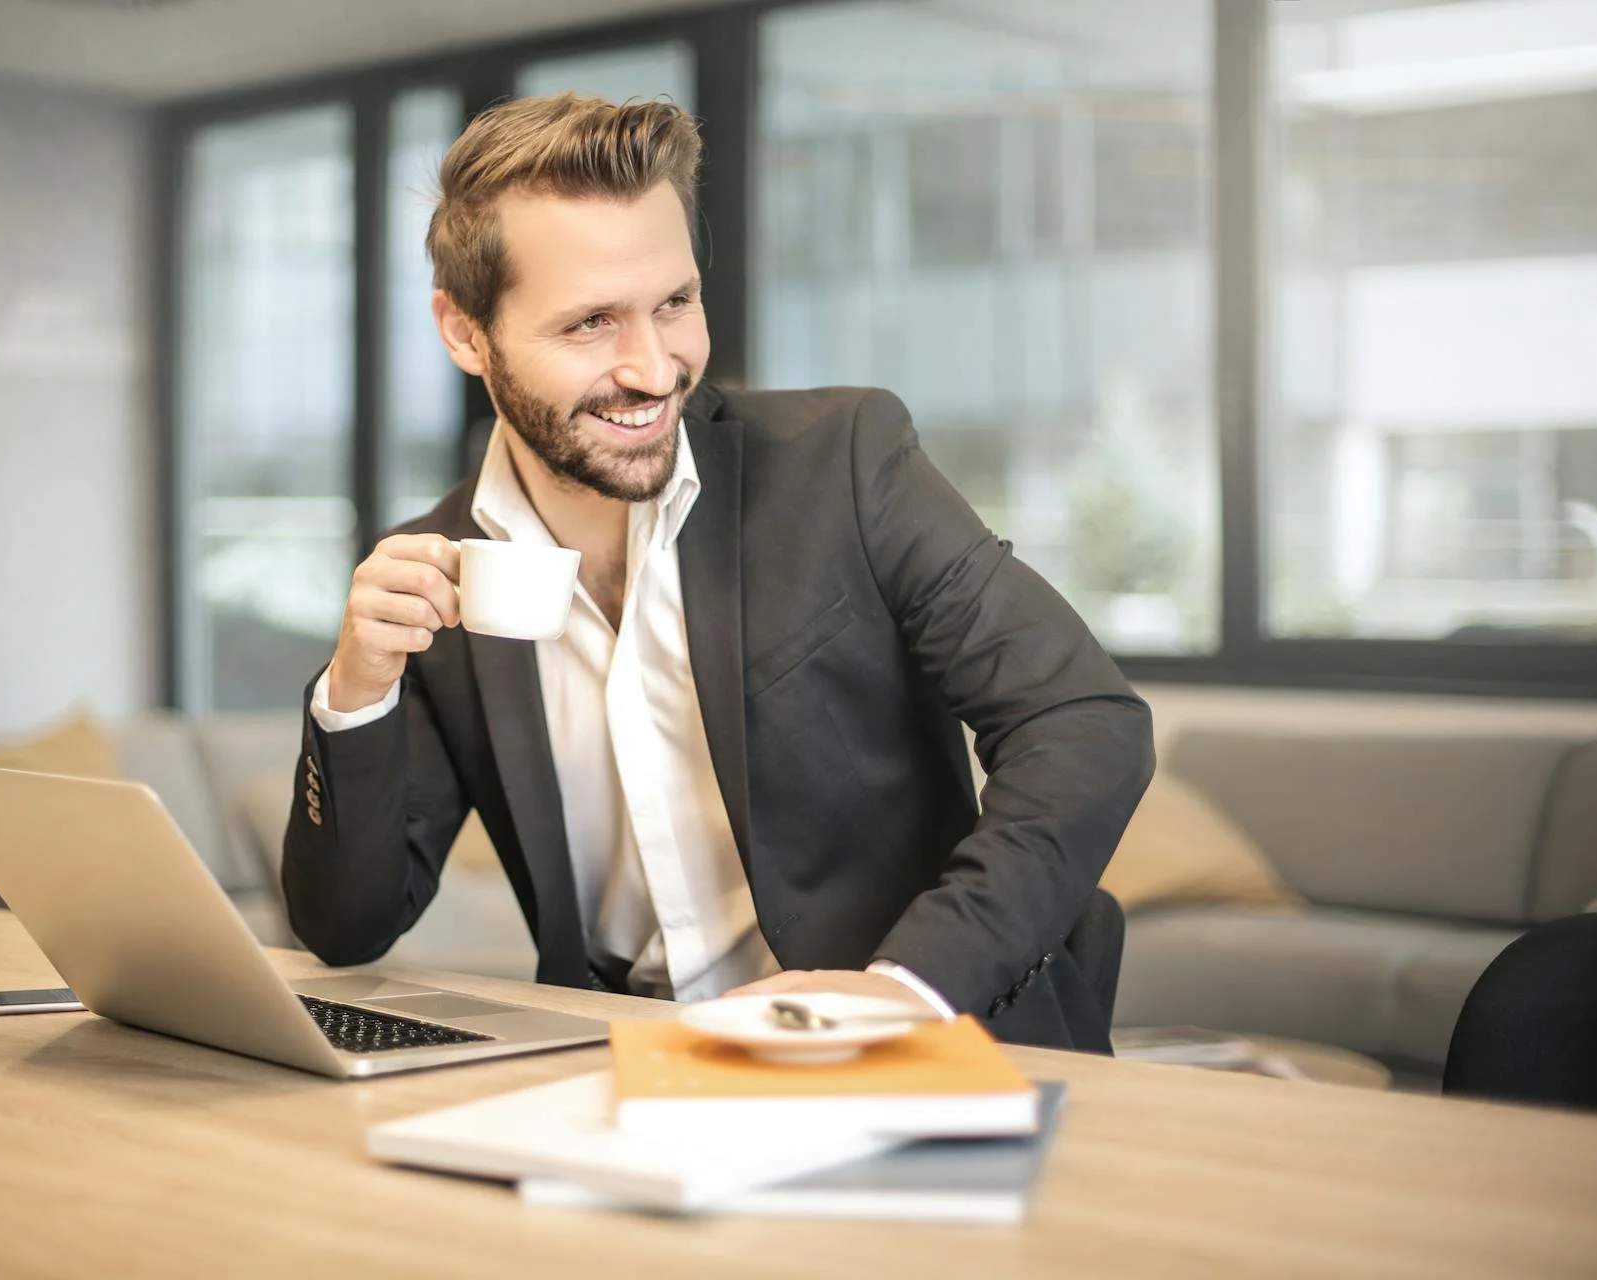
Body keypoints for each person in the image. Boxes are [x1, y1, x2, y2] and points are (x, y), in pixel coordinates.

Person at [281, 93, 1154, 1051]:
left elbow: (1082, 723)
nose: (655, 368)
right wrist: (357, 691)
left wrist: (907, 986)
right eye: (590, 325)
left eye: (675, 303)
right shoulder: (441, 571)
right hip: (626, 1063)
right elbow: (347, 927)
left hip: (913, 1049)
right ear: (465, 334)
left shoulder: (844, 464)